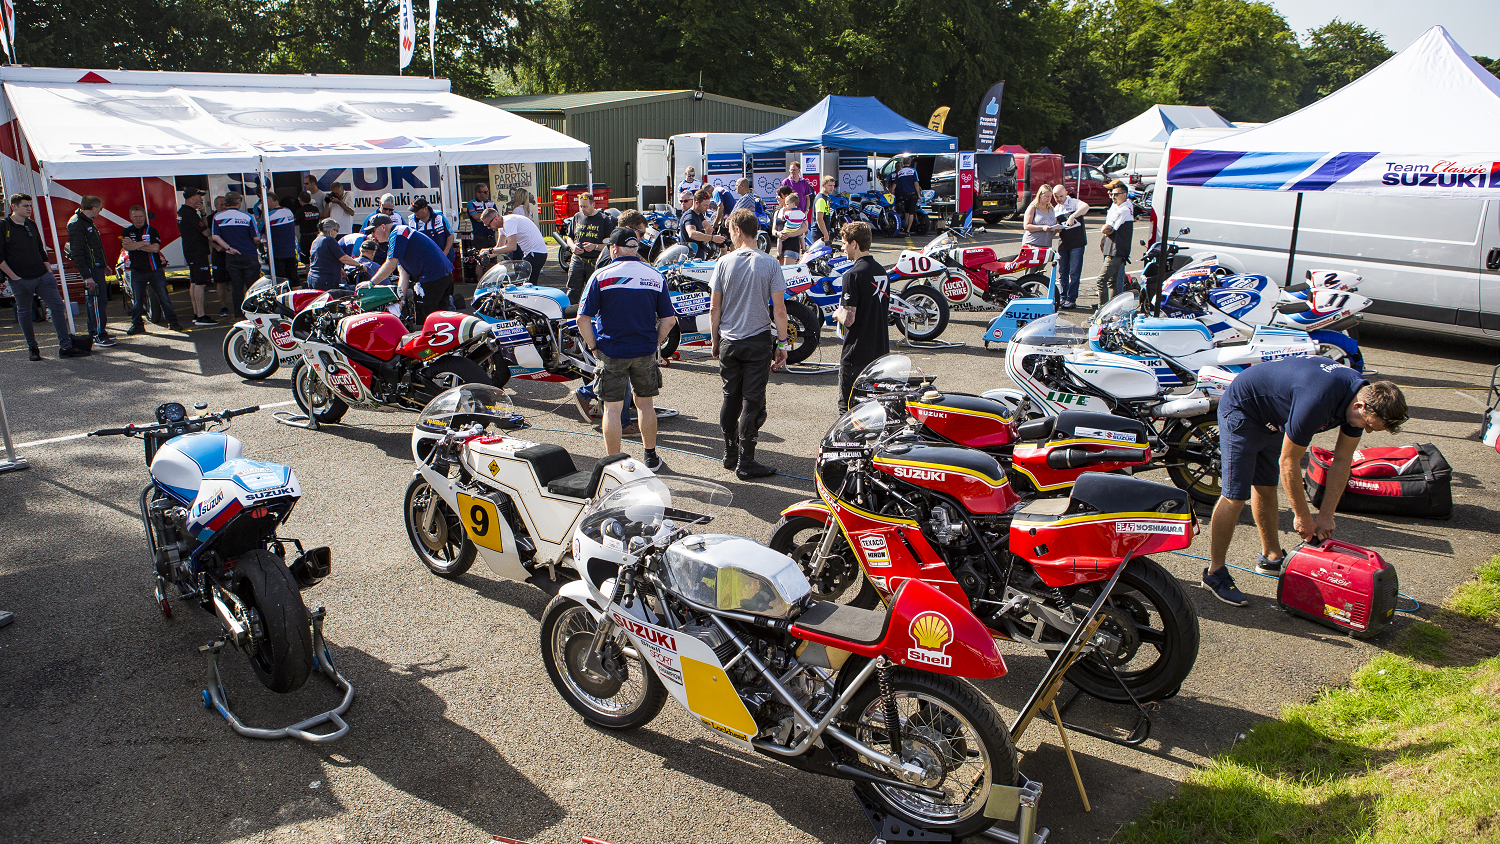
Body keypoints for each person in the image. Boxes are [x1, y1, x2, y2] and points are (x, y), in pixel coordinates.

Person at [1201, 357, 1409, 606]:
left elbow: (1342, 461)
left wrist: (1326, 516)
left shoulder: (1357, 402)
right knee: (1235, 497)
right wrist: (1302, 516)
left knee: (1266, 486)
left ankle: (1271, 557)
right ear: (1361, 406)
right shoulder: (1319, 400)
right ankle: (1214, 573)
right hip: (1244, 408)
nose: (1368, 431)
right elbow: (1289, 462)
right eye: (1369, 425)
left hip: (1276, 416)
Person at [576, 227, 675, 471]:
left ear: (613, 249)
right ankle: (650, 456)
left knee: (612, 408)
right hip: (644, 350)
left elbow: (582, 319)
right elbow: (669, 320)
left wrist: (594, 347)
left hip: (611, 350)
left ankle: (614, 463)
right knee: (645, 404)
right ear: (636, 249)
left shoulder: (601, 276)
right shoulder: (654, 275)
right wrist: (654, 343)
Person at [710, 208, 789, 479]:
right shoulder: (770, 263)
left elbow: (714, 308)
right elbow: (779, 310)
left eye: (731, 232)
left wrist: (714, 339)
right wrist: (783, 343)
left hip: (729, 341)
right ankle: (747, 460)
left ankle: (730, 452)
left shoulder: (723, 262)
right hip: (757, 341)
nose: (730, 237)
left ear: (738, 231)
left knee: (730, 397)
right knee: (752, 401)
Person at [2, 194, 87, 359]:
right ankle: (32, 348)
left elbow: (41, 250)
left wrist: (49, 273)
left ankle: (66, 347)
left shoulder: (31, 224)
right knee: (25, 312)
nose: (29, 209)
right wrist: (15, 277)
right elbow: (0, 258)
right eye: (25, 206)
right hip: (20, 279)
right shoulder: (4, 226)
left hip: (42, 276)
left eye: (30, 206)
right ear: (14, 207)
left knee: (57, 307)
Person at [832, 221, 889, 413]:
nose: (843, 248)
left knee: (848, 411)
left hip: (856, 355)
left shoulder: (853, 275)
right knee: (875, 411)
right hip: (880, 353)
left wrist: (837, 312)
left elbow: (849, 319)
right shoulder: (882, 272)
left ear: (854, 244)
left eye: (844, 243)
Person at [364, 214, 455, 320]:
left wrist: (370, 283)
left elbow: (390, 265)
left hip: (434, 277)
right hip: (439, 276)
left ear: (383, 227)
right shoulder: (396, 236)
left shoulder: (398, 233)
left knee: (430, 319)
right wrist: (400, 300)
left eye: (373, 231)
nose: (372, 235)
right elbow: (403, 273)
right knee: (440, 318)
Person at [120, 204, 184, 335]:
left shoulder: (152, 230)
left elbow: (155, 248)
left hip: (155, 270)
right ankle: (137, 325)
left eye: (141, 216)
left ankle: (173, 322)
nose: (138, 219)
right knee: (137, 300)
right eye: (135, 216)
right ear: (131, 217)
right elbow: (127, 247)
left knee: (164, 297)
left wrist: (135, 245)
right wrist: (144, 243)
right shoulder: (126, 231)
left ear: (144, 216)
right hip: (137, 271)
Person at [67, 195, 116, 347]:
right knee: (95, 302)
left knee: (99, 301)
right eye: (100, 208)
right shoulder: (77, 223)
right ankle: (97, 334)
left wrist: (104, 265)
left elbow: (95, 248)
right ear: (94, 208)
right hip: (90, 269)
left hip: (96, 267)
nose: (101, 211)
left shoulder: (87, 222)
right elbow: (78, 252)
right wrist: (86, 276)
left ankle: (100, 332)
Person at [210, 192, 262, 313]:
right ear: (238, 202)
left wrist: (228, 248)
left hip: (231, 256)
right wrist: (256, 245)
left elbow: (215, 237)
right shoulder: (247, 216)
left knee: (236, 286)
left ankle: (238, 314)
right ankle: (254, 313)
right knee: (253, 286)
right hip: (249, 254)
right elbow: (256, 238)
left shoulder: (218, 217)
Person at [173, 188, 216, 326]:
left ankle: (196, 313)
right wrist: (203, 214)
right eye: (199, 196)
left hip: (191, 251)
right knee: (200, 283)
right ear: (192, 198)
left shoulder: (183, 212)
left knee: (194, 281)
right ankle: (201, 316)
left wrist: (202, 213)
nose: (201, 199)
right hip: (197, 251)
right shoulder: (189, 214)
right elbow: (207, 232)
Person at [562, 192, 612, 303]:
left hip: (594, 261)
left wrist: (595, 246)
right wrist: (573, 247)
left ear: (593, 205)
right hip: (577, 259)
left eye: (585, 206)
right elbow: (569, 238)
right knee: (572, 290)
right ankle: (570, 316)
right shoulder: (577, 217)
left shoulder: (604, 220)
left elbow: (611, 244)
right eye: (581, 206)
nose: (582, 209)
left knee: (593, 291)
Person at [479, 207, 549, 286]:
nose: (488, 227)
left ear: (495, 219)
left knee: (526, 286)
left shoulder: (509, 222)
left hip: (536, 254)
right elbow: (499, 247)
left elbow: (512, 247)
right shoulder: (502, 226)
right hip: (531, 254)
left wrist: (490, 250)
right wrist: (484, 254)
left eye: (488, 225)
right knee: (521, 285)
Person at [1051, 183, 1090, 309]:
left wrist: (1073, 216)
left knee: (1074, 272)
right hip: (1063, 244)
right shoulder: (1056, 209)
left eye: (1061, 196)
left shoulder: (1074, 203)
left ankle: (1071, 298)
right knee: (1062, 272)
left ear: (1066, 193)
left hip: (1077, 243)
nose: (1059, 199)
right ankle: (1063, 296)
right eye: (1056, 197)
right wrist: (1056, 230)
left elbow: (1086, 207)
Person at [1095, 180, 1133, 306]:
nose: (1112, 197)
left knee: (1102, 281)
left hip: (1116, 250)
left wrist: (1106, 231)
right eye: (1111, 194)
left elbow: (1106, 229)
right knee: (1113, 282)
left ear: (1124, 194)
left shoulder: (1124, 209)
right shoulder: (1117, 206)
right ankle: (1113, 309)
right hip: (1112, 249)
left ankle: (1103, 309)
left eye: (1115, 194)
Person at [305, 218, 362, 291]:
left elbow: (323, 258)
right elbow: (343, 258)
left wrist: (340, 268)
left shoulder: (316, 240)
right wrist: (359, 265)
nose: (337, 233)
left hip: (312, 278)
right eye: (337, 231)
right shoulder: (329, 240)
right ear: (331, 230)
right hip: (326, 280)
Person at [259, 194, 300, 287]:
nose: (262, 204)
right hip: (290, 251)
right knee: (294, 279)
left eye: (263, 201)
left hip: (277, 253)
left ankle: (282, 300)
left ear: (270, 200)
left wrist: (263, 214)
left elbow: (259, 229)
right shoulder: (288, 211)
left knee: (280, 281)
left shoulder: (269, 215)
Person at [208, 195, 234, 318]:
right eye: (221, 204)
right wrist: (215, 246)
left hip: (232, 253)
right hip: (219, 254)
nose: (224, 207)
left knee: (234, 280)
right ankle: (224, 306)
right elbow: (205, 236)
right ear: (215, 206)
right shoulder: (210, 218)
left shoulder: (232, 215)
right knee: (220, 281)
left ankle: (237, 304)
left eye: (225, 204)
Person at [681, 189, 725, 259]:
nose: (707, 208)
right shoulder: (690, 216)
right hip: (690, 259)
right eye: (705, 205)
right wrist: (712, 238)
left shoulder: (699, 214)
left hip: (699, 255)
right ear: (697, 203)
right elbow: (692, 234)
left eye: (708, 205)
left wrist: (704, 240)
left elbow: (709, 228)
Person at [410, 198, 456, 262]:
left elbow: (450, 235)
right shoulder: (411, 220)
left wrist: (444, 253)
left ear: (425, 209)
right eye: (413, 211)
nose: (415, 213)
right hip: (425, 260)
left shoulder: (439, 217)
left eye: (417, 210)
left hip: (443, 259)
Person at [1021, 183, 1061, 251]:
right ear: (1040, 195)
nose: (1048, 199)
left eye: (1050, 197)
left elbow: (1052, 227)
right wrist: (1042, 227)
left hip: (1046, 245)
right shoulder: (1033, 207)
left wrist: (1056, 229)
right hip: (1032, 244)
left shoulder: (1051, 208)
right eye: (1046, 196)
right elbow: (1026, 226)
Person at [771, 187, 805, 266]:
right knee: (781, 273)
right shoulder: (777, 212)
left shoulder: (795, 212)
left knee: (788, 272)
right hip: (781, 246)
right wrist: (778, 234)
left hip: (792, 245)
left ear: (786, 196)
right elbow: (773, 230)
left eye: (779, 195)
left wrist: (789, 234)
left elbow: (804, 228)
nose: (776, 197)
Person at [889, 161, 921, 234]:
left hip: (905, 195)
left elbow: (894, 184)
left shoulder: (900, 172)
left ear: (903, 163)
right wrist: (919, 194)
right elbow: (916, 183)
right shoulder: (913, 171)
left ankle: (905, 225)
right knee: (911, 212)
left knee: (906, 211)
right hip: (913, 194)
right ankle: (908, 229)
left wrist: (891, 193)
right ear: (909, 163)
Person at [467, 183, 498, 254]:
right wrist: (490, 216)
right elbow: (475, 217)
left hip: (491, 236)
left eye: (487, 191)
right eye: (485, 192)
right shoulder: (471, 203)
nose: (487, 194)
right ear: (478, 194)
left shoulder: (492, 203)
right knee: (481, 261)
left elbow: (496, 217)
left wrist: (481, 217)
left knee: (492, 261)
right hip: (479, 236)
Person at [295, 190, 322, 267]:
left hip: (305, 237)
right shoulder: (315, 209)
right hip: (316, 235)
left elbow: (295, 222)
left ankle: (309, 276)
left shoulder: (300, 211)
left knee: (307, 260)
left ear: (300, 200)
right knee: (317, 257)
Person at [812, 176, 838, 246]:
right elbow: (819, 219)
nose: (832, 188)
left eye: (833, 185)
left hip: (823, 232)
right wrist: (826, 235)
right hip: (819, 233)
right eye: (830, 185)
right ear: (823, 185)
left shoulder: (826, 197)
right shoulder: (821, 199)